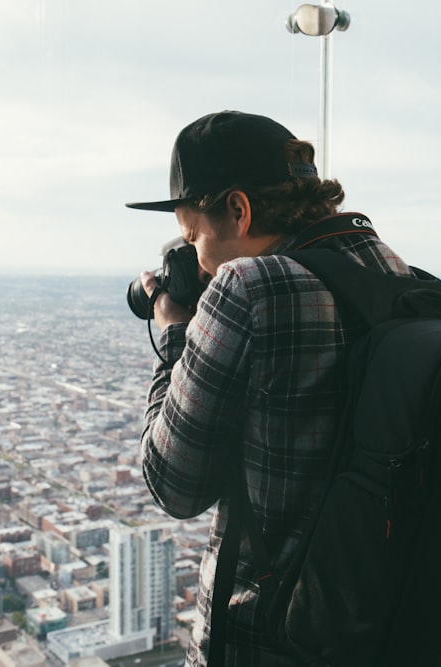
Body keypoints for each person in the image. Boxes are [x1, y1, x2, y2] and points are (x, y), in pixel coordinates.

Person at [126, 110, 423, 666]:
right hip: (379, 625)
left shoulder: (248, 288)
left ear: (238, 210)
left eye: (193, 236)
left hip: (271, 638)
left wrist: (173, 335)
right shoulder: (391, 270)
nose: (198, 260)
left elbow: (172, 483)